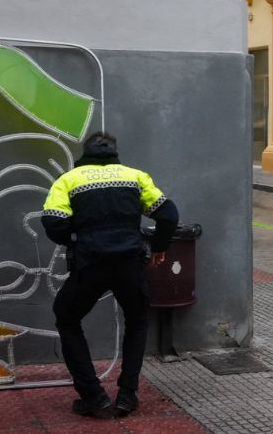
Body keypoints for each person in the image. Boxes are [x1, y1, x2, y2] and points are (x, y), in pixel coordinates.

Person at [42, 131, 180, 417]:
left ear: (85, 152)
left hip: (90, 264)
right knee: (137, 319)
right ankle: (127, 395)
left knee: (67, 318)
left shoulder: (69, 180)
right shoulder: (135, 177)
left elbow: (53, 223)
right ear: (115, 152)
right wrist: (159, 247)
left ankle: (93, 396)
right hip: (130, 262)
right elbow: (168, 215)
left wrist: (76, 240)